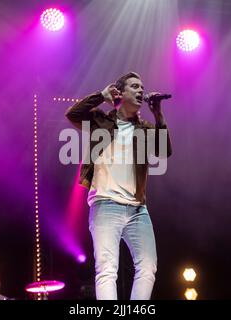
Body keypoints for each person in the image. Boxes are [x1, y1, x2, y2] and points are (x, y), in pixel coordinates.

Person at [65, 72, 172, 300]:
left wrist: (158, 115)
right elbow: (72, 114)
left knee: (148, 267)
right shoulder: (101, 121)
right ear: (120, 93)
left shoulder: (144, 128)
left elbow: (164, 151)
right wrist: (100, 96)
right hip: (105, 205)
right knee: (107, 270)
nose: (141, 90)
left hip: (137, 210)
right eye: (134, 86)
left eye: (142, 87)